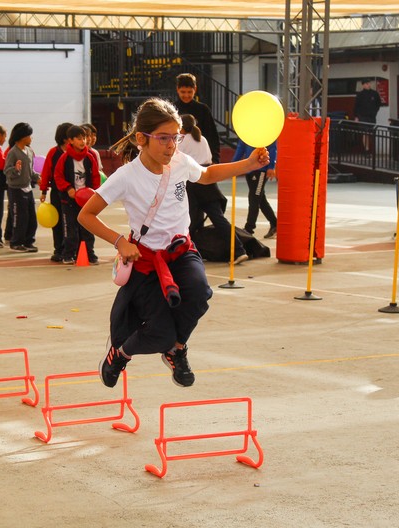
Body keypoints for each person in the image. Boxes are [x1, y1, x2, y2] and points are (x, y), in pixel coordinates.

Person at [77, 97, 269, 389]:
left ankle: (176, 350)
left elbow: (207, 175)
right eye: (164, 138)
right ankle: (121, 354)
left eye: (176, 138)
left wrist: (249, 163)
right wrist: (119, 241)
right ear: (142, 138)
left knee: (199, 294)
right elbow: (86, 215)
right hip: (146, 261)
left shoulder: (179, 161)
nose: (171, 145)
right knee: (159, 333)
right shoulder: (126, 176)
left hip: (181, 251)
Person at [178, 114, 248, 265]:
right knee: (219, 219)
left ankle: (190, 255)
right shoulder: (202, 139)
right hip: (208, 182)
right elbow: (209, 159)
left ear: (181, 127)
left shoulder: (182, 141)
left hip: (193, 181)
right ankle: (239, 250)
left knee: (191, 222)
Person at [53, 125, 102, 264]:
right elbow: (58, 176)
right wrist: (68, 188)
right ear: (70, 140)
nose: (83, 141)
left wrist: (95, 192)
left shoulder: (89, 157)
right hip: (69, 201)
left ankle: (90, 254)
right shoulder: (64, 158)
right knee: (70, 229)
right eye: (79, 139)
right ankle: (68, 254)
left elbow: (95, 176)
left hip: (87, 201)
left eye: (84, 138)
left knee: (88, 228)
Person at [39, 122, 73, 262]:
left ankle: (71, 250)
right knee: (58, 222)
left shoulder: (75, 151)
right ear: (65, 138)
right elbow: (46, 172)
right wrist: (43, 191)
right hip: (57, 192)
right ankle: (58, 249)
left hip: (72, 192)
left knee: (70, 222)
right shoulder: (53, 152)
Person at [4, 122, 40, 252]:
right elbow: (7, 171)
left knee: (31, 217)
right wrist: (16, 169)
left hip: (27, 188)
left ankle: (29, 241)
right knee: (20, 217)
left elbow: (31, 171)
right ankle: (16, 242)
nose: (31, 138)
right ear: (22, 137)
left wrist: (38, 178)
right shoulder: (13, 152)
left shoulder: (29, 151)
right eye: (29, 135)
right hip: (16, 190)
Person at [233, 137, 278, 238]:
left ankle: (249, 228)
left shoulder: (266, 133)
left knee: (254, 198)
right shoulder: (246, 133)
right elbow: (241, 147)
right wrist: (233, 164)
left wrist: (271, 167)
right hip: (249, 170)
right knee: (260, 199)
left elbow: (272, 147)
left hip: (261, 170)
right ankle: (275, 224)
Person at [173, 73, 221, 165]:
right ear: (177, 89)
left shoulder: (203, 109)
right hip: (179, 161)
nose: (186, 95)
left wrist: (215, 159)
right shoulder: (172, 109)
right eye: (183, 92)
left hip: (200, 161)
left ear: (195, 89)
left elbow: (212, 136)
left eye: (189, 92)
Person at [353, 79, 382, 153]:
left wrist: (375, 112)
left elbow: (378, 103)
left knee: (371, 133)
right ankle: (366, 149)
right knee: (365, 133)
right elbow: (356, 106)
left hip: (371, 117)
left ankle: (371, 149)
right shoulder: (360, 94)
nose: (368, 85)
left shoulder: (374, 93)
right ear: (363, 85)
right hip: (362, 117)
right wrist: (356, 116)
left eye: (369, 83)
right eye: (366, 83)